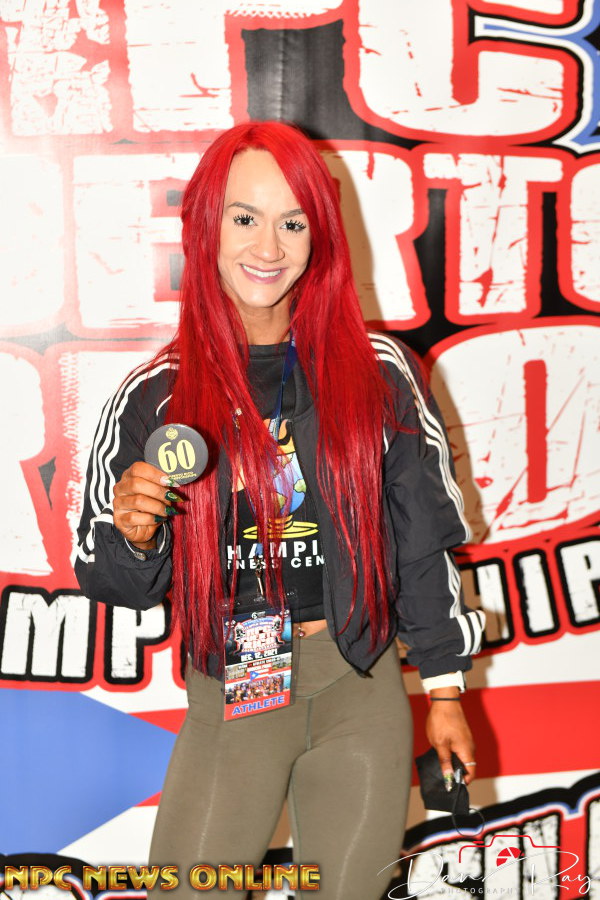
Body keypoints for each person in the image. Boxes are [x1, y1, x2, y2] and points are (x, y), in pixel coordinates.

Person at [75, 121, 485, 900]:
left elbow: (420, 544)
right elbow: (115, 584)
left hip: (357, 679)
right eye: (245, 217)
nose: (268, 245)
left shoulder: (381, 374)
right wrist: (136, 533)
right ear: (206, 227)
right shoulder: (157, 394)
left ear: (319, 236)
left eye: (293, 223)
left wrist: (445, 691)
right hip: (244, 673)